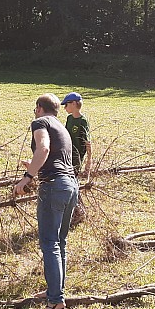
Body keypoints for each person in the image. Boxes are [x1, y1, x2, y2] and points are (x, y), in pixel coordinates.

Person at [14, 94, 79, 309]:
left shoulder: (40, 122)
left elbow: (43, 149)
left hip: (54, 187)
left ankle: (55, 301)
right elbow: (55, 157)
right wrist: (34, 165)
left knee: (49, 243)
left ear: (39, 108)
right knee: (59, 242)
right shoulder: (61, 126)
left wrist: (27, 177)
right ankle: (55, 291)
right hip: (70, 185)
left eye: (35, 109)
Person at [62, 92, 91, 225]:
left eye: (66, 105)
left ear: (74, 104)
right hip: (66, 155)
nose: (65, 108)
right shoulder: (69, 119)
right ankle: (72, 210)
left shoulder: (82, 121)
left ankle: (78, 212)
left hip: (76, 158)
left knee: (73, 183)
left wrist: (88, 161)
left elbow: (87, 142)